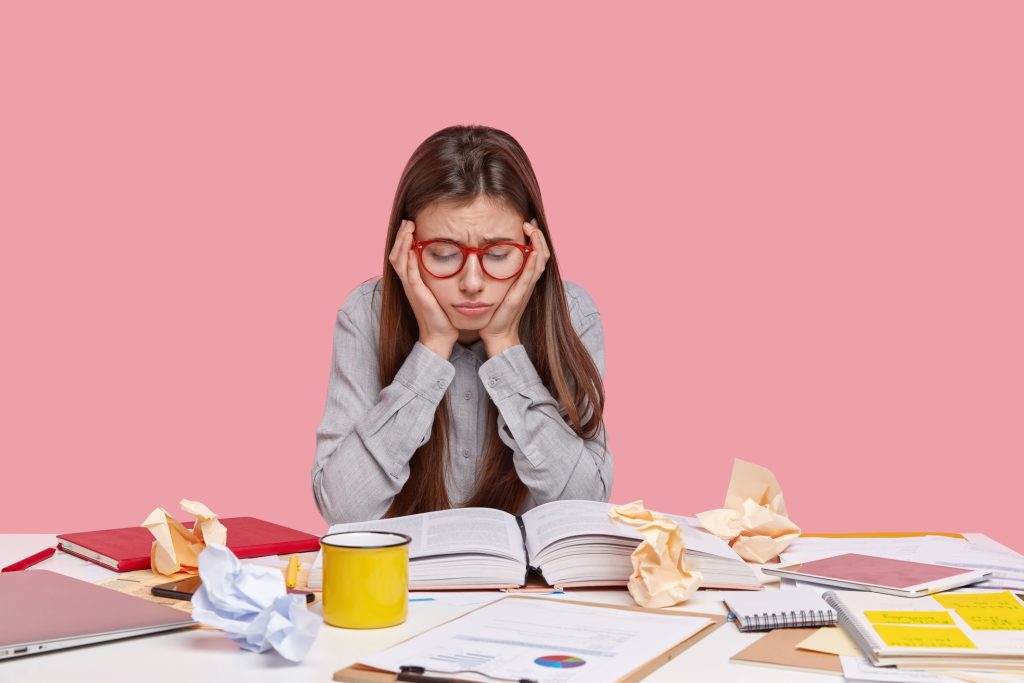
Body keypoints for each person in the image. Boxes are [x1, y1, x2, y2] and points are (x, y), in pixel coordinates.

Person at [312, 124, 612, 524]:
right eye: (442, 253)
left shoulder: (572, 314)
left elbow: (586, 504)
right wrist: (432, 348)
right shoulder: (366, 314)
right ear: (406, 247)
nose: (472, 283)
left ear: (533, 248)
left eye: (498, 254)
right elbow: (342, 509)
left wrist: (504, 346)